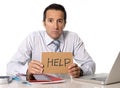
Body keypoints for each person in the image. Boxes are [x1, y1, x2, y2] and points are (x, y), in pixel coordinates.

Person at [7, 3, 95, 80]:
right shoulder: (33, 38)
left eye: (59, 21)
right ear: (44, 23)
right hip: (39, 85)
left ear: (64, 23)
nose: (55, 26)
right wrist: (27, 70)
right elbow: (11, 66)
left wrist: (81, 71)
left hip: (66, 85)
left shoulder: (73, 38)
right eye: (50, 21)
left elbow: (90, 63)